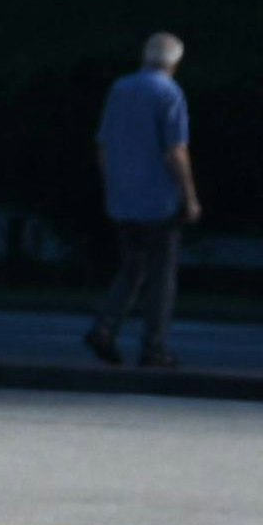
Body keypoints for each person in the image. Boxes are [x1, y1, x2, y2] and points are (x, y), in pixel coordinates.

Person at [89, 32, 201, 370]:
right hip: (159, 199)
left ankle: (104, 329)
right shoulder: (170, 93)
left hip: (124, 197)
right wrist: (190, 196)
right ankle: (155, 347)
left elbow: (104, 145)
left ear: (144, 55)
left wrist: (113, 186)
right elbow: (175, 151)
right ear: (175, 62)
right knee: (162, 275)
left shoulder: (120, 89)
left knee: (133, 267)